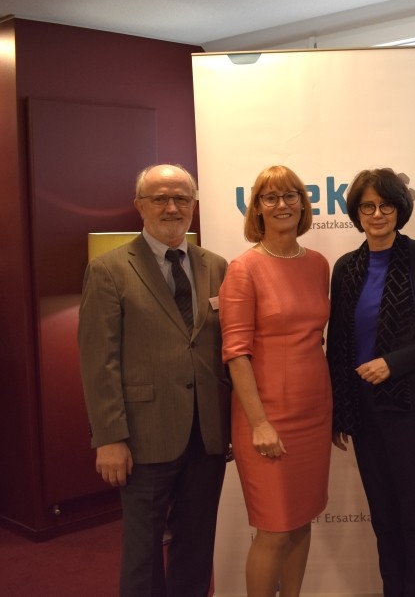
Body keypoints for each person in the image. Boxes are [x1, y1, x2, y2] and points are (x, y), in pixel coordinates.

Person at [79, 163, 229, 597]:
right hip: (143, 437)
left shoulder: (215, 266)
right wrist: (109, 437)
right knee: (143, 552)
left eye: (182, 198)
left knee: (197, 546)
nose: (171, 207)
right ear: (139, 206)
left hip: (207, 434)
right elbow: (98, 360)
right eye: (160, 198)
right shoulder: (108, 270)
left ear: (193, 205)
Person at [328, 168, 415, 597]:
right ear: (356, 212)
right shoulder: (346, 268)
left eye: (386, 205)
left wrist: (392, 363)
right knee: (384, 519)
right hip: (364, 412)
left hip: (412, 407)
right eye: (368, 206)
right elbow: (340, 346)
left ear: (400, 209)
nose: (378, 214)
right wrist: (340, 411)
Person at [219, 165, 331, 597]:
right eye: (271, 198)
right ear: (258, 209)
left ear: (303, 204)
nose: (282, 204)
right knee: (273, 530)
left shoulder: (318, 264)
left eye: (291, 196)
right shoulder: (244, 269)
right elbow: (236, 352)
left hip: (314, 413)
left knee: (301, 523)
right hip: (266, 416)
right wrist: (259, 422)